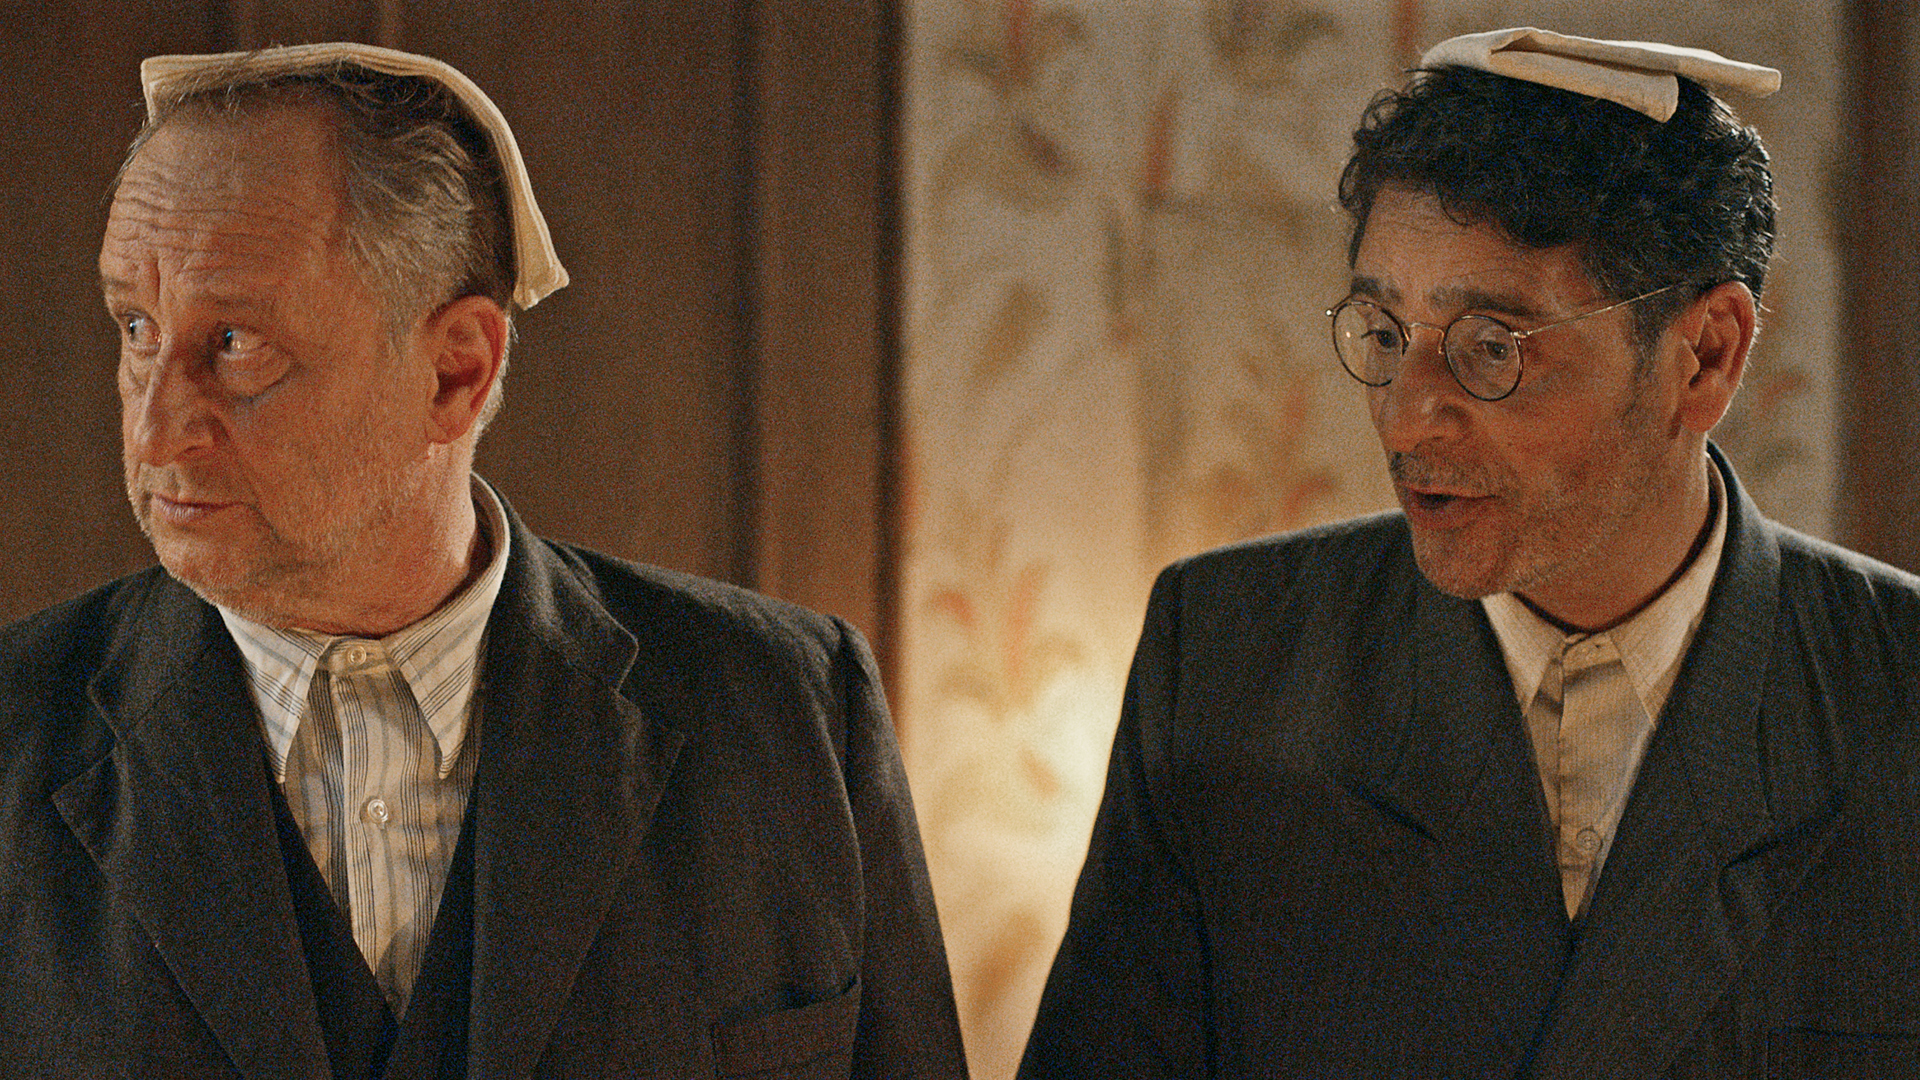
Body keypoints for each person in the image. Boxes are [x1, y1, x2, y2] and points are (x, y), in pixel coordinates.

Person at [0, 42, 967, 1078]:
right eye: (137, 327)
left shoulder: (791, 711)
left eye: (236, 342)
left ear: (455, 371)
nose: (154, 430)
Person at [1020, 28, 1920, 1078]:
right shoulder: (1232, 658)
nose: (1407, 419)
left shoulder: (1894, 690)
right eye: (1383, 333)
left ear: (1706, 356)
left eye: (1491, 348)